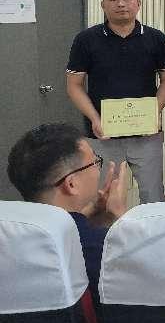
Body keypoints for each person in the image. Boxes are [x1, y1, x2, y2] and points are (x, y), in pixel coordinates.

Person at [66, 0, 165, 203]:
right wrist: (94, 118)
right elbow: (74, 85)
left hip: (146, 135)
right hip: (102, 134)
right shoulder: (86, 39)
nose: (121, 4)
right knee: (103, 197)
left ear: (138, 3)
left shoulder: (155, 38)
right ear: (103, 4)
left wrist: (154, 112)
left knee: (153, 195)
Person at [6, 123, 128, 301]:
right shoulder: (103, 249)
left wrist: (86, 217)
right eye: (95, 162)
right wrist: (121, 224)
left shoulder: (9, 243)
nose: (98, 168)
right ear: (71, 184)